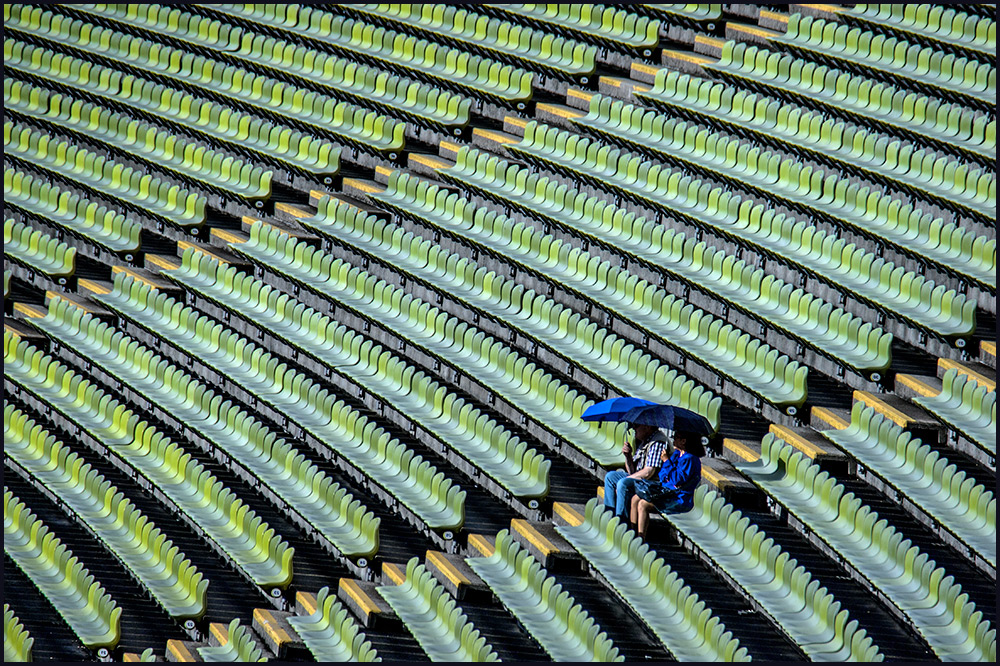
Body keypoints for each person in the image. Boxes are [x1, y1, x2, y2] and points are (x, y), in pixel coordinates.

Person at [629, 431, 704, 540]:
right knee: (635, 498)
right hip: (668, 492)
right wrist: (668, 468)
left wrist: (666, 461)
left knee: (643, 505)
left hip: (679, 499)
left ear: (684, 441)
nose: (673, 439)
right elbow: (663, 475)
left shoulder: (690, 459)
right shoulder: (677, 454)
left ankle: (641, 539)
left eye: (676, 437)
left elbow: (676, 480)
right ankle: (632, 534)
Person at [603, 423, 673, 523]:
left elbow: (648, 472)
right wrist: (628, 456)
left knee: (622, 483)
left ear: (647, 426)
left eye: (636, 426)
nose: (634, 429)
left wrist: (627, 479)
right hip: (643, 481)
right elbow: (632, 471)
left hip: (654, 484)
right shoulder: (644, 441)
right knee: (611, 477)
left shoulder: (658, 442)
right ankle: (609, 517)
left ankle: (621, 523)